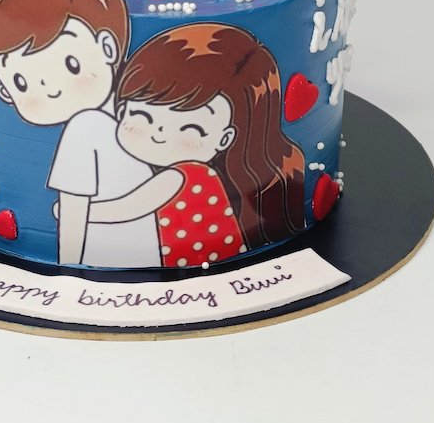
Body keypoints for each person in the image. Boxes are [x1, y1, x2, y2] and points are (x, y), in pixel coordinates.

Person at [0, 0, 159, 267]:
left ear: (107, 47)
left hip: (112, 260)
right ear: (4, 90)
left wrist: (70, 270)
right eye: (22, 81)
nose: (50, 88)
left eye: (71, 64)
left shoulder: (91, 128)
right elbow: (78, 211)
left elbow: (75, 213)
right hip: (117, 258)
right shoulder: (91, 129)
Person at [86, 23, 307, 266]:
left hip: (193, 269)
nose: (158, 135)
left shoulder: (180, 175)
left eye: (190, 129)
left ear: (225, 139)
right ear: (120, 110)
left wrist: (80, 212)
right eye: (143, 116)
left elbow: (129, 208)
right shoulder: (203, 173)